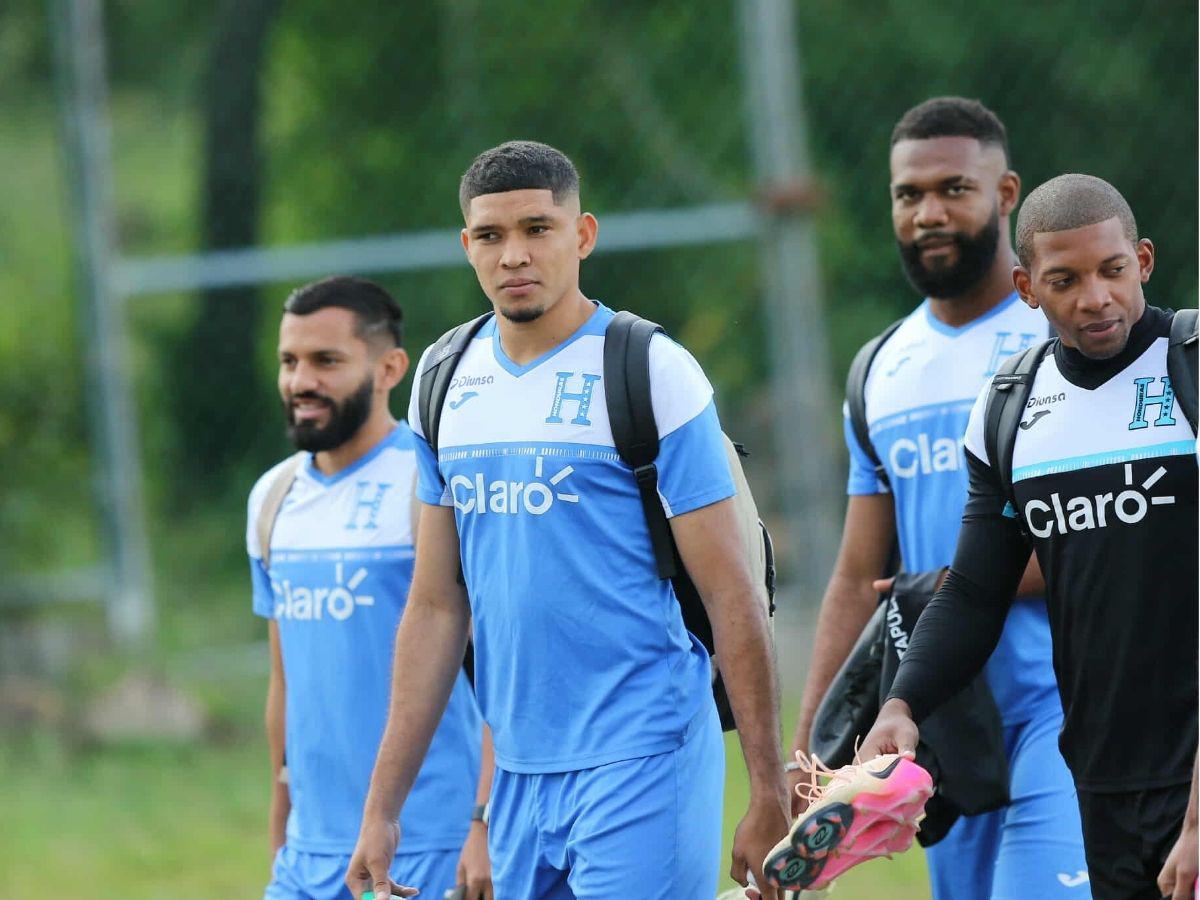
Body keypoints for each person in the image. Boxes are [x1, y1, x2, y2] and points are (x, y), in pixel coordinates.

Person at [344, 140, 788, 899]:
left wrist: (768, 789)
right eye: (491, 236)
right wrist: (383, 811)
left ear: (581, 236)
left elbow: (732, 596)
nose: (514, 255)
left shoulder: (651, 370)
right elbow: (436, 603)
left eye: (537, 229)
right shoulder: (443, 379)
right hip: (519, 770)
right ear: (467, 247)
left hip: (644, 753)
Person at [859, 173, 1198, 900]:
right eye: (1065, 279)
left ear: (1142, 260)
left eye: (1112, 271)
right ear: (1026, 287)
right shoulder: (1010, 409)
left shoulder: (1190, 370)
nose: (1096, 297)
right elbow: (977, 589)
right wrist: (903, 705)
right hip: (1102, 778)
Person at [785, 98, 1087, 899]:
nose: (928, 213)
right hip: (941, 726)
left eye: (955, 188)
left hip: (1070, 700)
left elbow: (1109, 537)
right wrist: (810, 751)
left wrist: (958, 587)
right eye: (907, 194)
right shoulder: (880, 367)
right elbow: (856, 575)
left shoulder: (1063, 343)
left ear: (1007, 192)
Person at [246, 276, 487, 900]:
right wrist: (282, 820)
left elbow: (498, 668)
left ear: (389, 368)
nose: (302, 382)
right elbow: (285, 677)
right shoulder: (272, 498)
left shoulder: (429, 481)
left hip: (423, 849)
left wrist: (481, 823)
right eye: (289, 361)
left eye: (326, 361)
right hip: (308, 852)